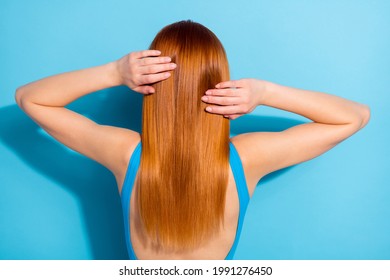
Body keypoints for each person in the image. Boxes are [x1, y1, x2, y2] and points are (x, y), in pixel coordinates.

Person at [15, 20, 370, 260]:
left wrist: (113, 72)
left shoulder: (124, 153)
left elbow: (30, 98)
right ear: (220, 80)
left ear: (151, 84)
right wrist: (265, 92)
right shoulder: (248, 158)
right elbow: (355, 116)